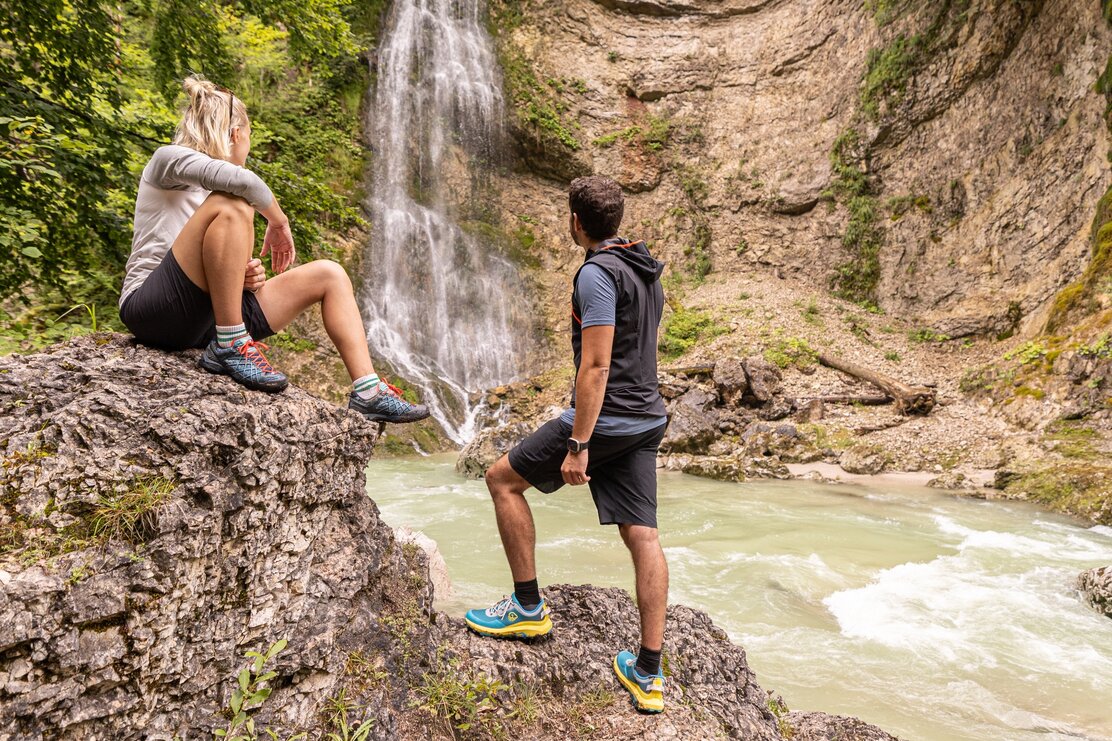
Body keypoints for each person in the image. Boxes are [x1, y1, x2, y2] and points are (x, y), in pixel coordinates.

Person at [464, 176, 670, 714]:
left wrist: (579, 442)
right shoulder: (645, 271)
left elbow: (597, 365)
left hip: (608, 418)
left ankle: (528, 606)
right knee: (643, 534)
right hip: (647, 417)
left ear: (576, 222)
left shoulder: (597, 276)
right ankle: (648, 672)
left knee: (501, 480)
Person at [118, 75, 428, 424]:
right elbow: (244, 184)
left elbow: (212, 257)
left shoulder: (221, 195)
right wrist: (278, 223)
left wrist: (240, 277)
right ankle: (232, 345)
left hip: (203, 320)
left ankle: (368, 392)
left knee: (330, 274)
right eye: (249, 137)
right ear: (237, 135)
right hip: (153, 310)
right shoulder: (168, 161)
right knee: (235, 203)